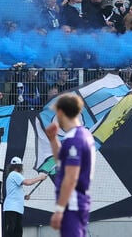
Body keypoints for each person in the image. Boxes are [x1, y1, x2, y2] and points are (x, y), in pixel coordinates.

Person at [45, 93, 94, 236]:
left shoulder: (74, 139)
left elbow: (71, 177)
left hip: (72, 203)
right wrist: (53, 139)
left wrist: (59, 210)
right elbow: (61, 161)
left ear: (60, 112)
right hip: (77, 202)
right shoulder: (82, 134)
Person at [3, 156, 48, 237]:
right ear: (19, 166)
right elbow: (28, 182)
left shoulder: (12, 175)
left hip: (15, 208)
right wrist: (40, 177)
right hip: (13, 208)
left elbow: (14, 192)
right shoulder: (15, 174)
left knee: (16, 232)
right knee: (12, 232)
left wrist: (23, 197)